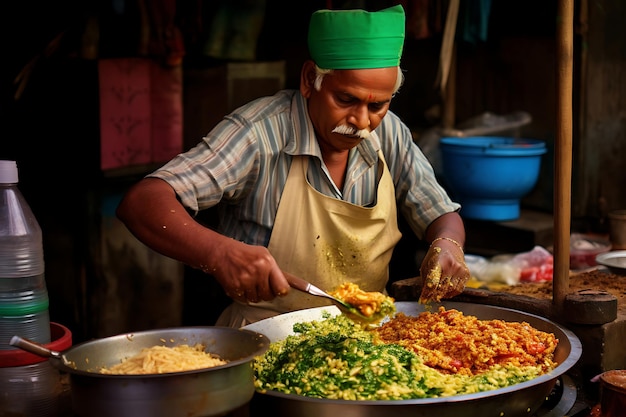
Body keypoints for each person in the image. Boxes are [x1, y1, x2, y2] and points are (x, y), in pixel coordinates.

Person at [116, 5, 470, 328]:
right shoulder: (259, 133)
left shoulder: (390, 133)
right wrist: (218, 253)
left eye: (377, 106)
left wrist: (448, 244)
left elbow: (442, 215)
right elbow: (143, 202)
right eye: (345, 100)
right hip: (265, 337)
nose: (361, 121)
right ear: (310, 80)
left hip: (369, 337)